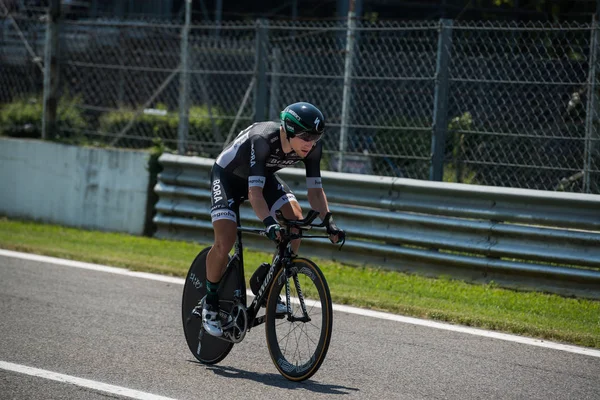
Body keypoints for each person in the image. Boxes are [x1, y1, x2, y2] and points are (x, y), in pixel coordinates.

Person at [202, 101, 345, 337]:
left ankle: (267, 281)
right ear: (288, 130)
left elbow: (315, 192)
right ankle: (210, 303)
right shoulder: (263, 140)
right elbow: (254, 193)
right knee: (225, 241)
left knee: (296, 220)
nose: (311, 143)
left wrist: (329, 222)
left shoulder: (312, 149)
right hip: (228, 177)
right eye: (306, 136)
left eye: (316, 137)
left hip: (262, 177)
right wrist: (269, 222)